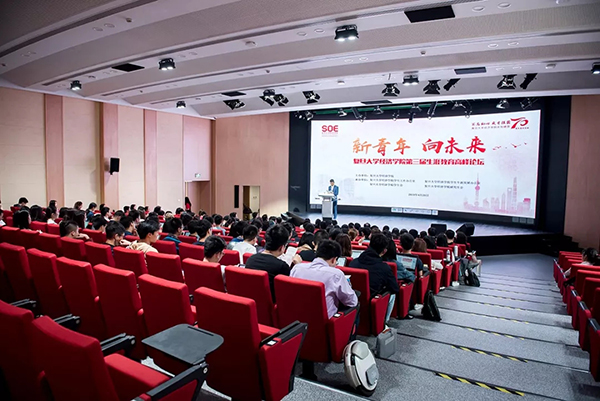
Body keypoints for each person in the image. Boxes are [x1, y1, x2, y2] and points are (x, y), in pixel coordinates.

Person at [291, 240, 358, 319]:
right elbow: (351, 302)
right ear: (334, 259)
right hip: (323, 322)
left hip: (296, 318)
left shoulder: (297, 268)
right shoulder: (336, 274)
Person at [349, 233, 399, 323]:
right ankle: (383, 323)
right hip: (372, 304)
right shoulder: (384, 268)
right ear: (384, 251)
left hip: (352, 301)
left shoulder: (353, 263)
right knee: (391, 294)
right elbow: (395, 288)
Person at [245, 225, 292, 301]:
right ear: (282, 247)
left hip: (251, 300)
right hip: (272, 304)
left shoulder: (250, 259)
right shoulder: (282, 266)